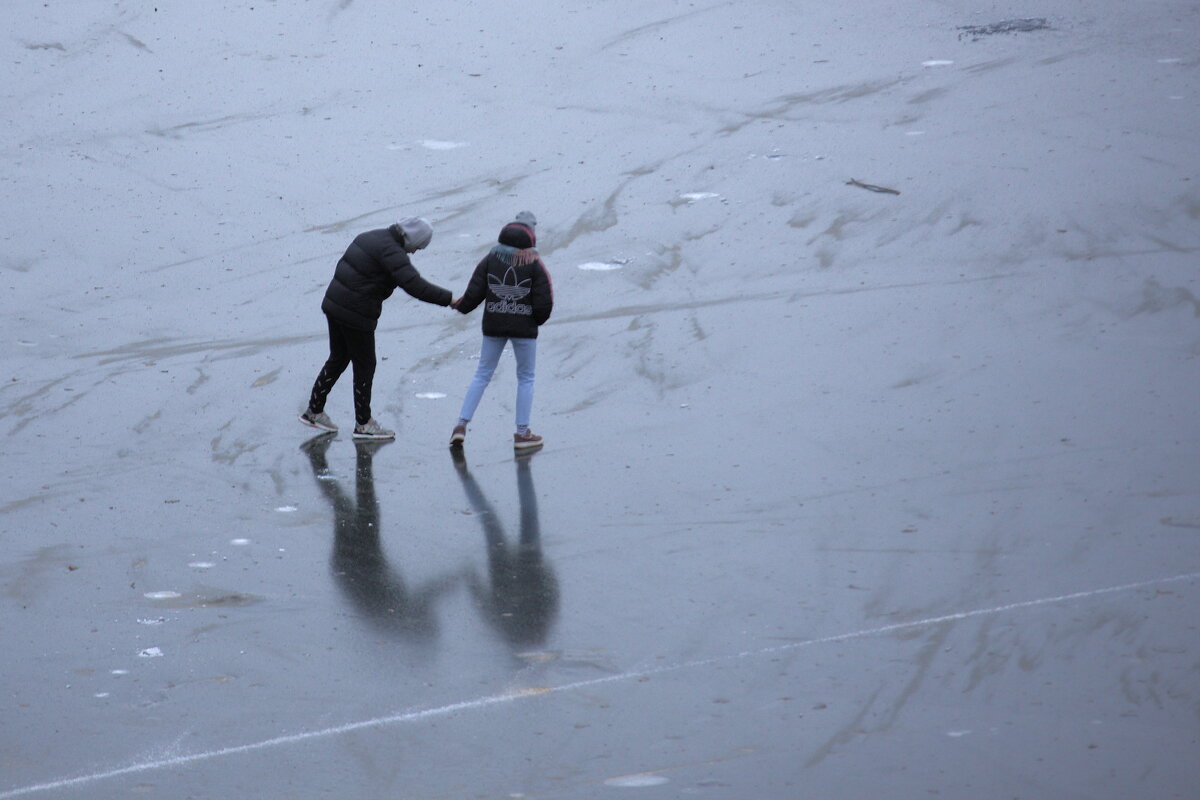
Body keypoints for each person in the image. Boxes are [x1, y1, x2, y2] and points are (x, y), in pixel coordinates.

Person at [299, 217, 453, 440]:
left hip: (334, 303)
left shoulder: (371, 236)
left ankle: (314, 411)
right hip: (356, 313)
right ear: (412, 239)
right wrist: (449, 299)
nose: (415, 252)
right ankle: (363, 424)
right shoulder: (393, 253)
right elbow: (414, 285)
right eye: (418, 247)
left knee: (339, 357)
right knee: (365, 364)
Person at [450, 211, 553, 450]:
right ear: (531, 234)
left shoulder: (490, 258)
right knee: (525, 378)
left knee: (482, 374)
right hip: (524, 329)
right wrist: (535, 320)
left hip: (493, 324)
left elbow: (474, 291)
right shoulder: (535, 263)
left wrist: (461, 306)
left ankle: (460, 425)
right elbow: (544, 300)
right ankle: (522, 433)